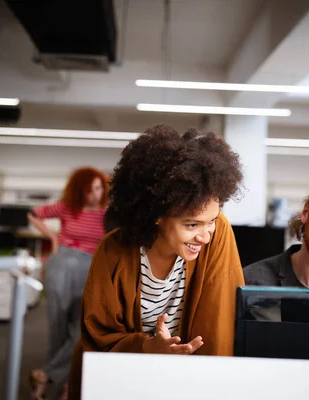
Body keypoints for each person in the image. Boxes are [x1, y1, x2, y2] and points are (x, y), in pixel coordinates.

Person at [67, 124, 245, 400]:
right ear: (156, 215)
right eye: (191, 224)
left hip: (190, 383)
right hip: (125, 381)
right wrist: (150, 347)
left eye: (211, 220)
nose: (205, 235)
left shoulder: (219, 232)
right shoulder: (114, 250)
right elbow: (98, 335)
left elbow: (222, 328)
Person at [28, 167, 108, 400]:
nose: (95, 193)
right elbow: (34, 213)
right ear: (79, 190)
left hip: (92, 267)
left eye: (99, 187)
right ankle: (65, 386)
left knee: (85, 328)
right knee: (58, 327)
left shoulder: (108, 211)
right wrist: (52, 237)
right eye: (90, 189)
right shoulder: (67, 206)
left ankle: (46, 374)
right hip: (62, 263)